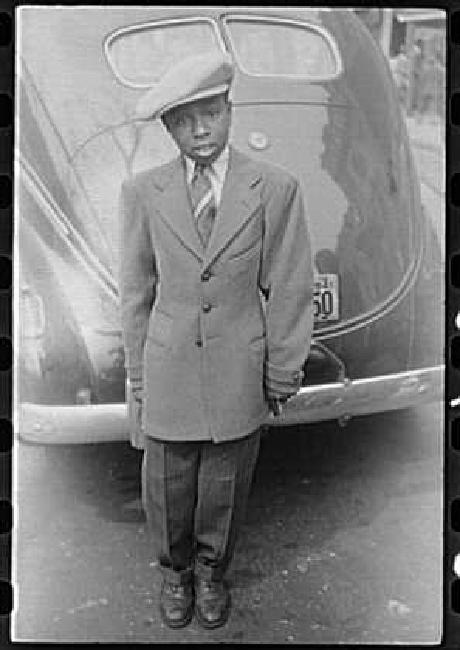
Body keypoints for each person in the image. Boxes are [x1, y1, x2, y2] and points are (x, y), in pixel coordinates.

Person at [118, 51, 313, 630]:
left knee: (225, 487)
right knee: (168, 485)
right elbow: (136, 294)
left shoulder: (273, 188)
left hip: (237, 369)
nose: (199, 130)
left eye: (210, 113)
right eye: (183, 120)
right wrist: (137, 378)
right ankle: (175, 574)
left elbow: (291, 284)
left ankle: (211, 574)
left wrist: (282, 370)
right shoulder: (142, 192)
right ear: (167, 127)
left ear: (229, 109)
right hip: (168, 369)